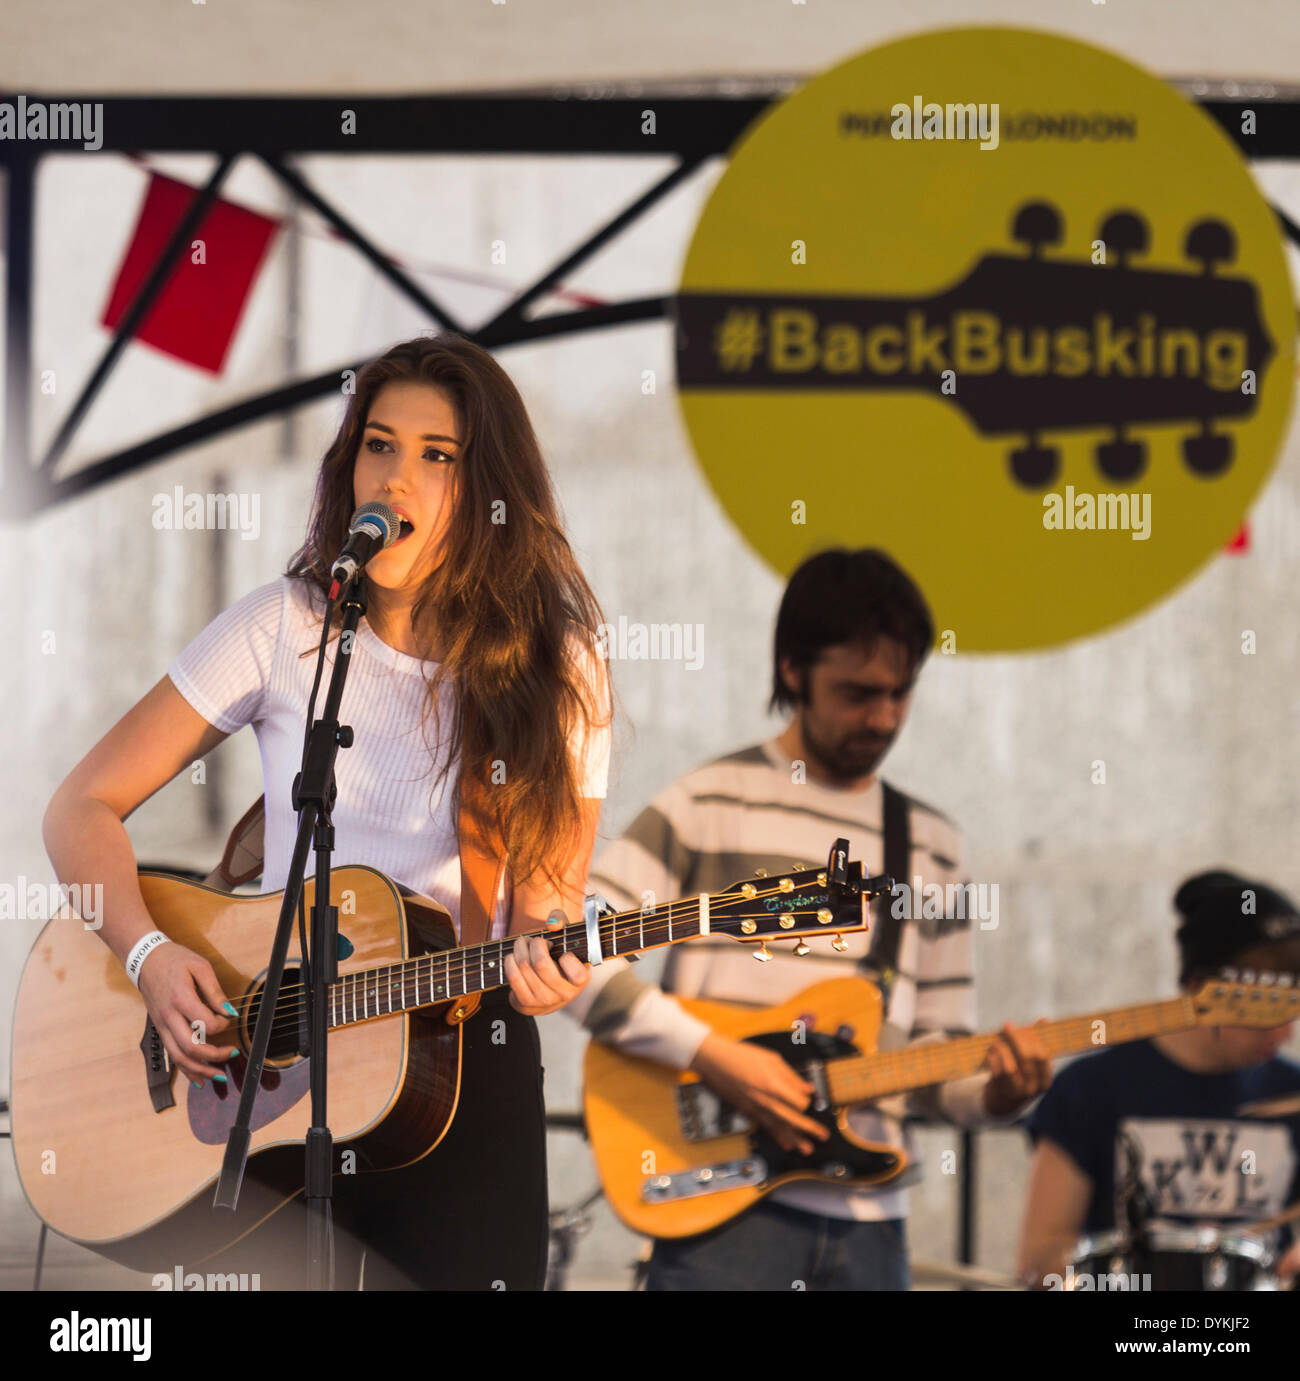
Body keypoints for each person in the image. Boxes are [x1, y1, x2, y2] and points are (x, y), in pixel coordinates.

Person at [42, 332, 611, 1290]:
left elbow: (549, 906)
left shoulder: (558, 666)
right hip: (268, 1073)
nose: (398, 478)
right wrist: (148, 955)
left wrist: (555, 958)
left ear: (493, 489)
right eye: (379, 444)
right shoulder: (287, 625)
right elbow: (80, 806)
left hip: (459, 1071)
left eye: (440, 456)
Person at [567, 547, 1050, 1290]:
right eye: (858, 692)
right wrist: (716, 1056)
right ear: (792, 670)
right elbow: (574, 951)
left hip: (870, 1225)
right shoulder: (708, 802)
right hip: (717, 1210)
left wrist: (998, 1094)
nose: (884, 716)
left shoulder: (933, 845)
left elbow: (933, 1058)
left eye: (900, 692)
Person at [1018, 870, 1300, 1288]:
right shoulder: (1088, 1088)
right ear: (1201, 989)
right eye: (1266, 1011)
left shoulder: (1293, 1092)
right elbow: (1037, 1259)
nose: (1285, 1033)